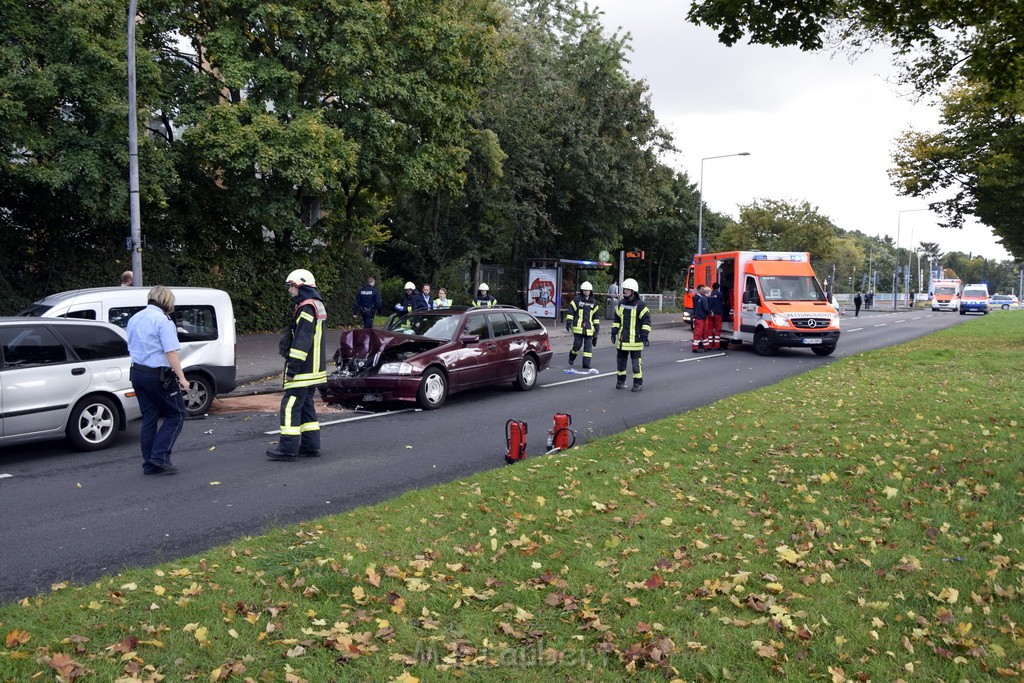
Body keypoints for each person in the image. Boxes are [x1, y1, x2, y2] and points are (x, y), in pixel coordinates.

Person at [127, 285, 189, 475]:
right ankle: (159, 456)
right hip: (157, 375)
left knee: (150, 418)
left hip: (137, 374)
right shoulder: (163, 321)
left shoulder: (134, 319)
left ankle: (150, 464)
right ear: (166, 301)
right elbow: (170, 352)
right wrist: (182, 378)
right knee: (177, 414)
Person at [267, 269, 328, 461]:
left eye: (291, 286)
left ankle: (287, 449)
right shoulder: (316, 305)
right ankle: (310, 446)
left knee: (290, 406)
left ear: (301, 286)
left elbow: (302, 342)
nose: (289, 290)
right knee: (305, 405)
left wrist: (292, 369)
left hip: (303, 371)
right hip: (315, 370)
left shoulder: (306, 308)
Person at [612, 278, 651, 392]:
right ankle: (620, 381)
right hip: (623, 340)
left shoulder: (641, 305)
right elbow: (617, 319)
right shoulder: (621, 304)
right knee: (621, 363)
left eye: (627, 289)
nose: (625, 291)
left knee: (636, 365)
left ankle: (637, 384)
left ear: (633, 291)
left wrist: (645, 336)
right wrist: (614, 332)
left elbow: (646, 321)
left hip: (636, 341)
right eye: (625, 289)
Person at [566, 281, 600, 371]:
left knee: (588, 347)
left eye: (587, 291)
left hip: (589, 329)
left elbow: (595, 317)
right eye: (584, 290)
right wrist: (569, 322)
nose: (586, 292)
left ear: (590, 291)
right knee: (577, 345)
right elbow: (570, 312)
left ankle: (586, 364)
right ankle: (572, 356)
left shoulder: (594, 302)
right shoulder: (577, 300)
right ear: (582, 290)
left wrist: (597, 328)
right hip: (578, 328)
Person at [691, 286, 710, 353]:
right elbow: (705, 308)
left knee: (704, 332)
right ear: (708, 292)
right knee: (698, 333)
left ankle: (707, 346)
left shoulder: (701, 298)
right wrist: (710, 312)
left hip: (700, 318)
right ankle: (695, 348)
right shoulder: (704, 299)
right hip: (700, 318)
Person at [708, 282, 725, 350]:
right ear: (718, 287)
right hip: (718, 313)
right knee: (717, 329)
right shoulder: (720, 294)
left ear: (712, 287)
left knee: (710, 328)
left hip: (710, 313)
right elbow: (722, 302)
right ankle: (716, 345)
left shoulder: (710, 294)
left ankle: (709, 344)